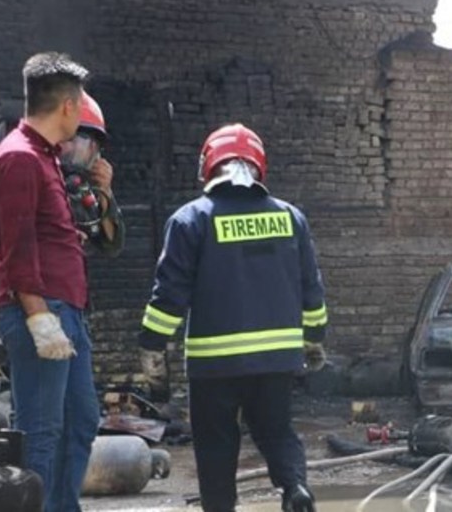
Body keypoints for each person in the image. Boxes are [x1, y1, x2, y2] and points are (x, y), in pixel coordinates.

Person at [137, 123, 327, 512]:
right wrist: (314, 338)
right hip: (277, 359)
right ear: (260, 166)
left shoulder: (191, 220)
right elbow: (312, 287)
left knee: (217, 444)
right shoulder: (291, 218)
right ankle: (295, 489)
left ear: (209, 166)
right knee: (277, 431)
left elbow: (170, 293)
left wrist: (152, 346)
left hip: (215, 363)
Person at [0, 52, 100, 511]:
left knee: (80, 419)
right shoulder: (19, 159)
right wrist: (38, 317)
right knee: (40, 432)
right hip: (42, 313)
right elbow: (17, 246)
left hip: (64, 311)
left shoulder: (43, 158)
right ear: (69, 106)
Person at [60, 91, 124, 255]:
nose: (74, 150)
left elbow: (111, 244)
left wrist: (105, 192)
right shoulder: (35, 177)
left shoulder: (81, 190)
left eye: (85, 145)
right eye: (70, 140)